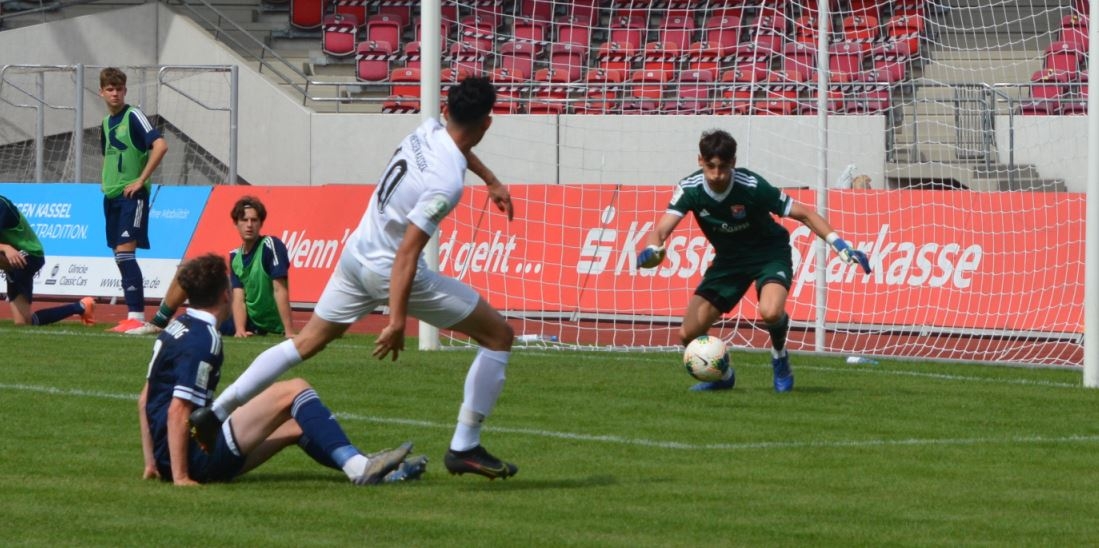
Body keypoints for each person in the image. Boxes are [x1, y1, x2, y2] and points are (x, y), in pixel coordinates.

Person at [190, 77, 520, 480]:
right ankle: (465, 445)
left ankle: (217, 411)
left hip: (355, 255)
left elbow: (459, 148)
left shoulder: (428, 128)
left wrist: (489, 179)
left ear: (447, 110)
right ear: (487, 123)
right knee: (498, 336)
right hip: (389, 270)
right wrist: (397, 320)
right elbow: (407, 254)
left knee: (304, 343)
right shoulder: (447, 183)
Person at [138, 253, 424, 486]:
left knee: (298, 424)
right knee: (295, 389)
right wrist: (181, 477)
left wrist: (153, 463)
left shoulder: (176, 328)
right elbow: (178, 410)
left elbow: (144, 400)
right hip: (196, 457)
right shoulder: (204, 339)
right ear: (226, 295)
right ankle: (360, 468)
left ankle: (368, 467)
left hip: (171, 455)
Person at [636, 129, 872, 393]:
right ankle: (723, 377)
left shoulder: (751, 185)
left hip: (769, 253)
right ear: (700, 161)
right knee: (687, 334)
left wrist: (839, 245)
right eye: (710, 166)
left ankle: (779, 356)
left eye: (723, 167)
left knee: (770, 312)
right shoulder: (689, 188)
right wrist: (652, 248)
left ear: (733, 162)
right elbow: (661, 230)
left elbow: (804, 214)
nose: (716, 174)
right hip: (729, 261)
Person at [131, 196, 296, 338]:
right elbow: (239, 297)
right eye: (244, 220)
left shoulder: (271, 245)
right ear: (236, 224)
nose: (249, 225)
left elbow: (279, 289)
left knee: (195, 322)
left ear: (261, 223)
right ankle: (160, 322)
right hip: (245, 321)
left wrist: (288, 331)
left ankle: (167, 323)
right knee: (187, 270)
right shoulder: (236, 256)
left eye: (254, 220)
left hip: (265, 325)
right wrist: (240, 329)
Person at [98, 67, 169, 334]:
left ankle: (136, 316)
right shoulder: (106, 123)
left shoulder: (134, 115)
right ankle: (132, 316)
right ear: (102, 92)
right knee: (120, 256)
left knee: (126, 254)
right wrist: (107, 182)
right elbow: (109, 156)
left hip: (132, 196)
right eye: (110, 89)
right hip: (112, 196)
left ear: (125, 91)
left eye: (119, 89)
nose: (115, 94)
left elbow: (160, 145)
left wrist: (141, 180)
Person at [0, 194, 96, 327]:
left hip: (28, 254)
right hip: (9, 258)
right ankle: (81, 306)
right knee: (24, 323)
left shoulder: (2, 204)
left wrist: (5, 247)